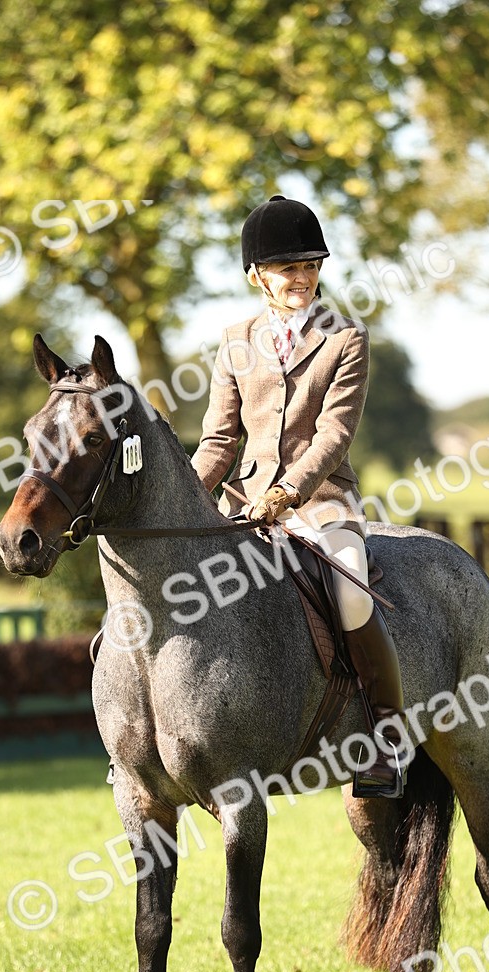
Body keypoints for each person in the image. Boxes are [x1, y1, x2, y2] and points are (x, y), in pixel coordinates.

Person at [191, 195, 406, 799]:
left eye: (310, 265)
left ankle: (384, 739)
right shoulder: (235, 340)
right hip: (244, 506)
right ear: (256, 276)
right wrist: (187, 498)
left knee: (353, 598)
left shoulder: (346, 339)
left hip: (321, 503)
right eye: (288, 268)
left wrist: (289, 491)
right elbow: (217, 440)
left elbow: (335, 435)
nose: (301, 278)